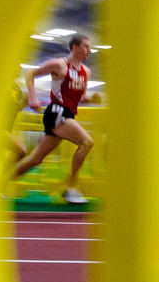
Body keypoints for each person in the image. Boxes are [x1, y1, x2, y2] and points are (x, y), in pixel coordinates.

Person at [11, 34, 100, 204]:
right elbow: (30, 73)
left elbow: (80, 98)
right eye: (86, 46)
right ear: (75, 47)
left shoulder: (85, 72)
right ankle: (71, 188)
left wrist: (91, 99)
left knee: (35, 159)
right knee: (87, 142)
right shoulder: (59, 65)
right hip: (56, 111)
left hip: (68, 114)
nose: (90, 50)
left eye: (90, 47)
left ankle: (0, 181)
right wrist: (33, 97)